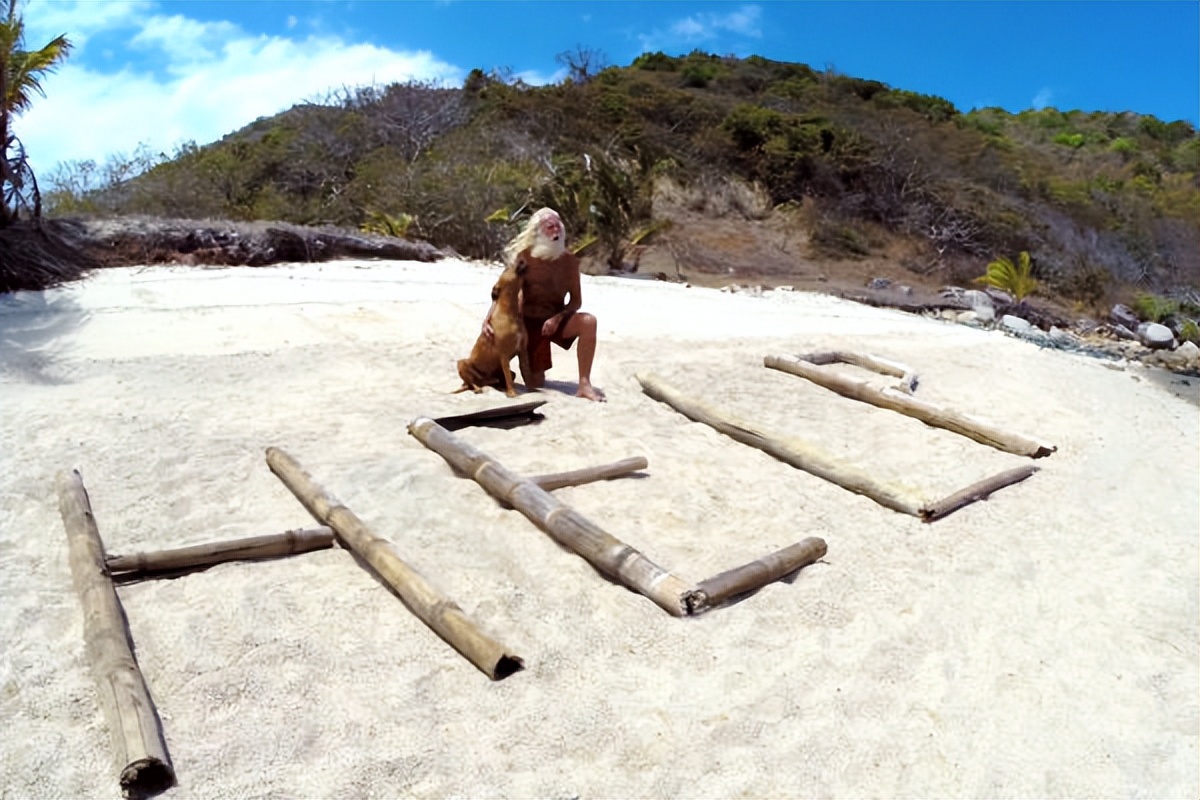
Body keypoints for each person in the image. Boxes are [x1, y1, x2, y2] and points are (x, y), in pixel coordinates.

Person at [482, 207, 604, 401]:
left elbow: (575, 301)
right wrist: (488, 319)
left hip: (552, 321)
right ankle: (498, 365)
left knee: (589, 322)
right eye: (550, 227)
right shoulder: (525, 257)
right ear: (537, 232)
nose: (556, 232)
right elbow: (506, 292)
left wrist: (557, 319)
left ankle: (584, 384)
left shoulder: (569, 262)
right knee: (534, 383)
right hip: (524, 323)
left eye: (558, 227)